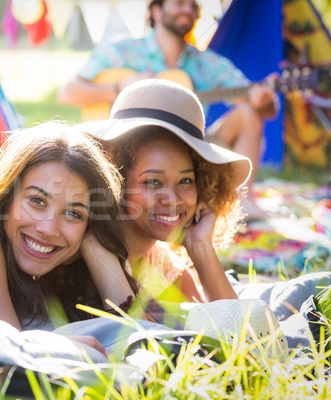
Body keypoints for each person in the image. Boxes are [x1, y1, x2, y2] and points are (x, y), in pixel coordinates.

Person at [58, 0, 279, 221]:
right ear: (156, 10)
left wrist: (265, 100)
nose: (188, 9)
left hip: (189, 148)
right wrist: (118, 88)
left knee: (250, 112)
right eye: (180, 3)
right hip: (125, 146)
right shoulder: (122, 51)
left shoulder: (207, 63)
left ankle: (242, 202)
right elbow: (67, 93)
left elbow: (264, 108)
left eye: (193, 5)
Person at [0, 121, 139, 334]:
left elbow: (146, 343)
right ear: (7, 196)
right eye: (37, 201)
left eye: (73, 213)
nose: (48, 229)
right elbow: (7, 351)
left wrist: (95, 247)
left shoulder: (64, 276)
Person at [86, 78, 252, 305]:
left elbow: (237, 330)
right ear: (116, 180)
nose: (173, 200)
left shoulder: (160, 264)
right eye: (153, 182)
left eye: (185, 181)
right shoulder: (87, 252)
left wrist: (200, 246)